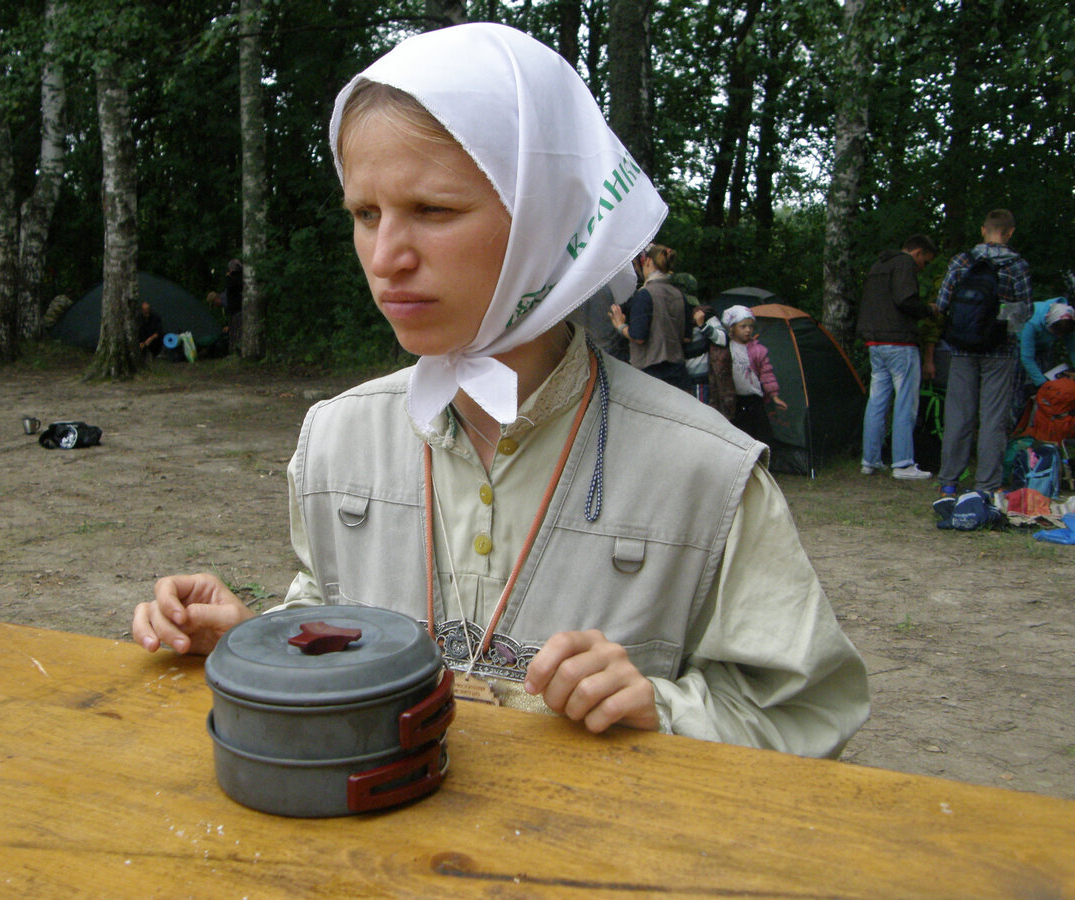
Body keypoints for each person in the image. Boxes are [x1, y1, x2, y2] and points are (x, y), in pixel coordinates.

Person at [132, 23, 868, 757]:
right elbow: (329, 612)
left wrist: (662, 709)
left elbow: (807, 712)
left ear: (544, 220)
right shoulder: (337, 440)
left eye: (433, 210)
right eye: (365, 214)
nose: (386, 257)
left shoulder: (705, 472)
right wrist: (258, 642)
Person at [936, 209, 1032, 497]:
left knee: (958, 416)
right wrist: (996, 328)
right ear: (1010, 232)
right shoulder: (1017, 266)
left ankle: (949, 482)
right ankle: (987, 486)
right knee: (993, 419)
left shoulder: (961, 262)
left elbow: (942, 305)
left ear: (983, 230)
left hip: (962, 349)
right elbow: (1023, 314)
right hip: (1000, 353)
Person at [856, 234, 938, 480]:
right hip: (900, 342)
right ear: (918, 253)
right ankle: (903, 464)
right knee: (905, 402)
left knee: (877, 402)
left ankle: (870, 460)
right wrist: (928, 310)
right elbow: (906, 299)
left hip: (875, 342)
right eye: (925, 261)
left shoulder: (878, 265)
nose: (922, 267)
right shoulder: (904, 264)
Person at [608, 244, 691, 391]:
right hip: (678, 372)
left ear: (647, 262)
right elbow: (686, 338)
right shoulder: (679, 295)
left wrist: (620, 325)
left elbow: (639, 336)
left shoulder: (644, 295)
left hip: (651, 373)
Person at [717, 305, 787, 447]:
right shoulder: (726, 348)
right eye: (743, 326)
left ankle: (763, 460)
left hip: (754, 397)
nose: (748, 330)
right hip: (735, 398)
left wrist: (774, 395)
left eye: (750, 326)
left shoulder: (758, 350)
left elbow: (767, 374)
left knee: (761, 432)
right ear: (732, 328)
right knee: (740, 431)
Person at [1018, 298, 1075, 389]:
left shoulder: (1068, 321)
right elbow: (1027, 357)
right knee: (1021, 384)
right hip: (1018, 345)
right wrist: (1044, 385)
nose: (1060, 336)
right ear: (1049, 323)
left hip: (1044, 347)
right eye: (1056, 333)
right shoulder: (1031, 322)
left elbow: (1073, 350)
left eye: (1063, 334)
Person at [684, 303, 727, 405]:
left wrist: (702, 325)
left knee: (700, 413)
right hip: (680, 378)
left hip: (700, 379)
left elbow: (723, 339)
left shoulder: (705, 314)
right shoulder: (672, 315)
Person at [224, 259, 243, 354]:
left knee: (237, 331)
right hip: (235, 309)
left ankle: (237, 349)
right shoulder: (231, 280)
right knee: (236, 331)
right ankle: (235, 350)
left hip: (237, 309)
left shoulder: (235, 279)